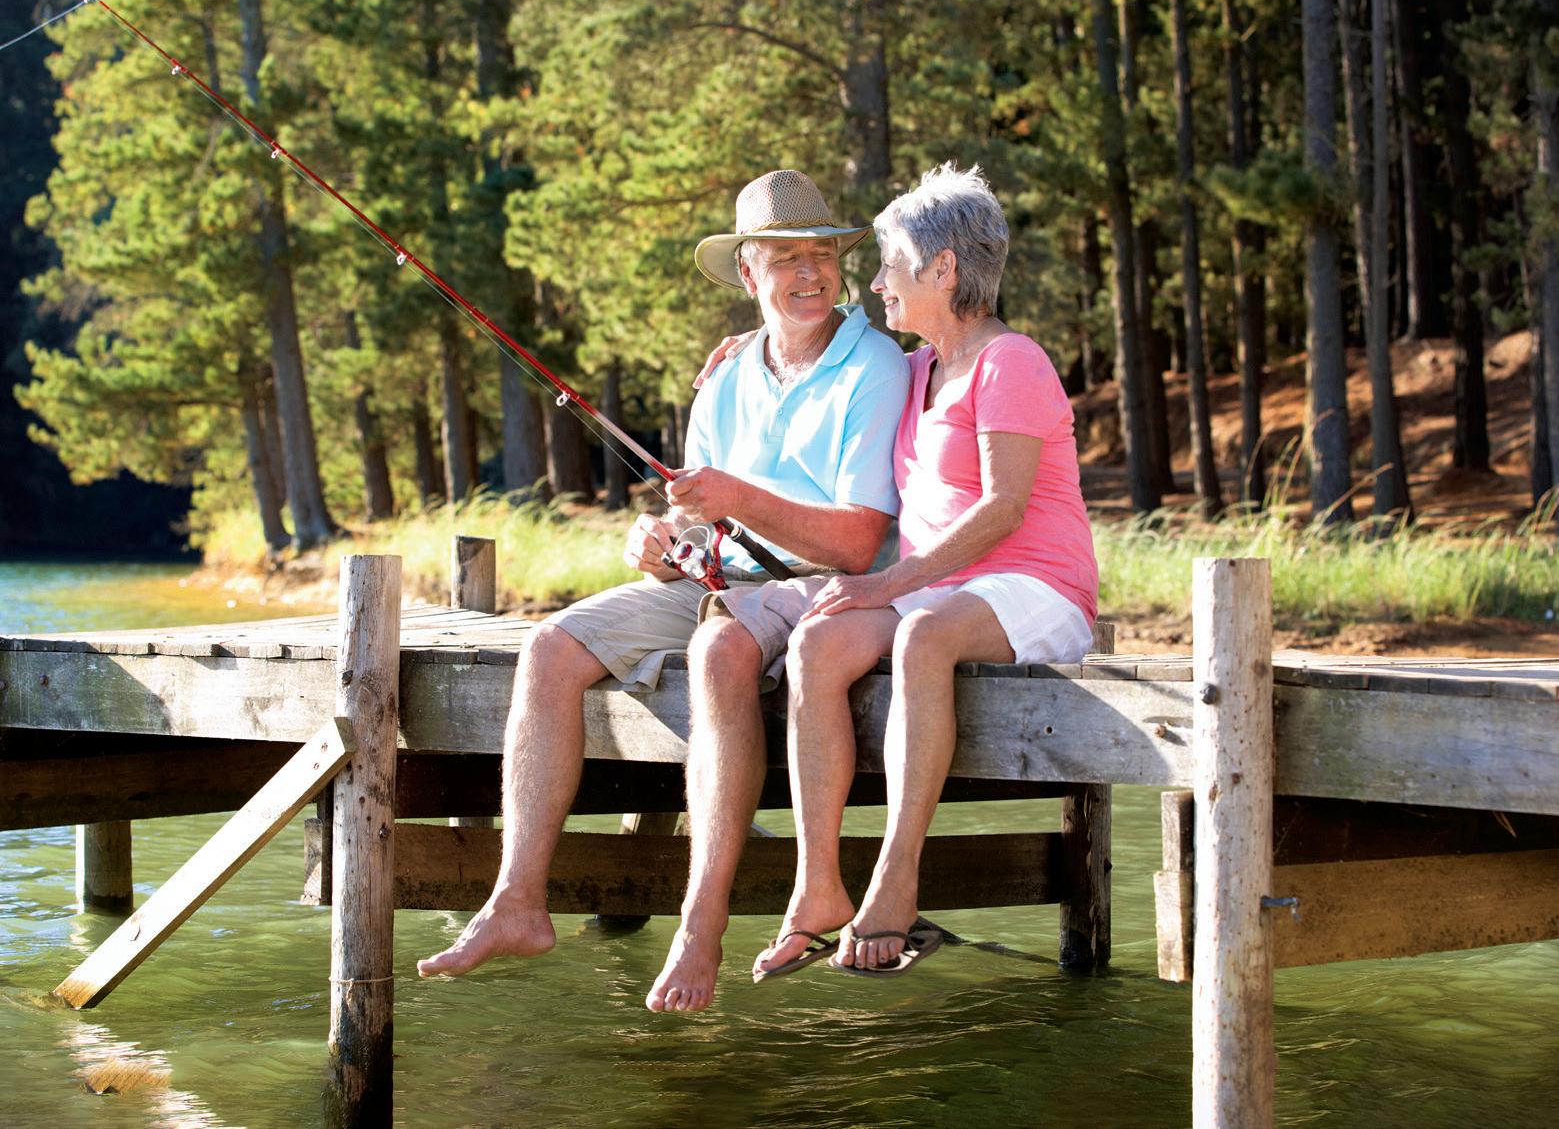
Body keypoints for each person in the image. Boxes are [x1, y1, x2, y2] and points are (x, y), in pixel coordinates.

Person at [415, 170, 911, 1013]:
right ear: (746, 274)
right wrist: (660, 543)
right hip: (722, 580)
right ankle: (516, 900)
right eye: (783, 258)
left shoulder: (875, 365)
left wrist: (737, 500)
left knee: (718, 648)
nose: (808, 273)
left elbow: (858, 541)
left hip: (825, 589)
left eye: (821, 254)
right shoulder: (726, 376)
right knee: (550, 645)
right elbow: (700, 522)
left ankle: (698, 924)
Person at [749, 163, 1098, 979]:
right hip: (940, 589)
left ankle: (895, 877)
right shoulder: (913, 370)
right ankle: (817, 884)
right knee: (816, 643)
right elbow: (820, 352)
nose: (875, 284)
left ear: (943, 269)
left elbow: (1003, 509)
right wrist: (748, 350)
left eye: (890, 266)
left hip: (1035, 584)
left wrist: (885, 584)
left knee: (921, 637)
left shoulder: (1011, 361)